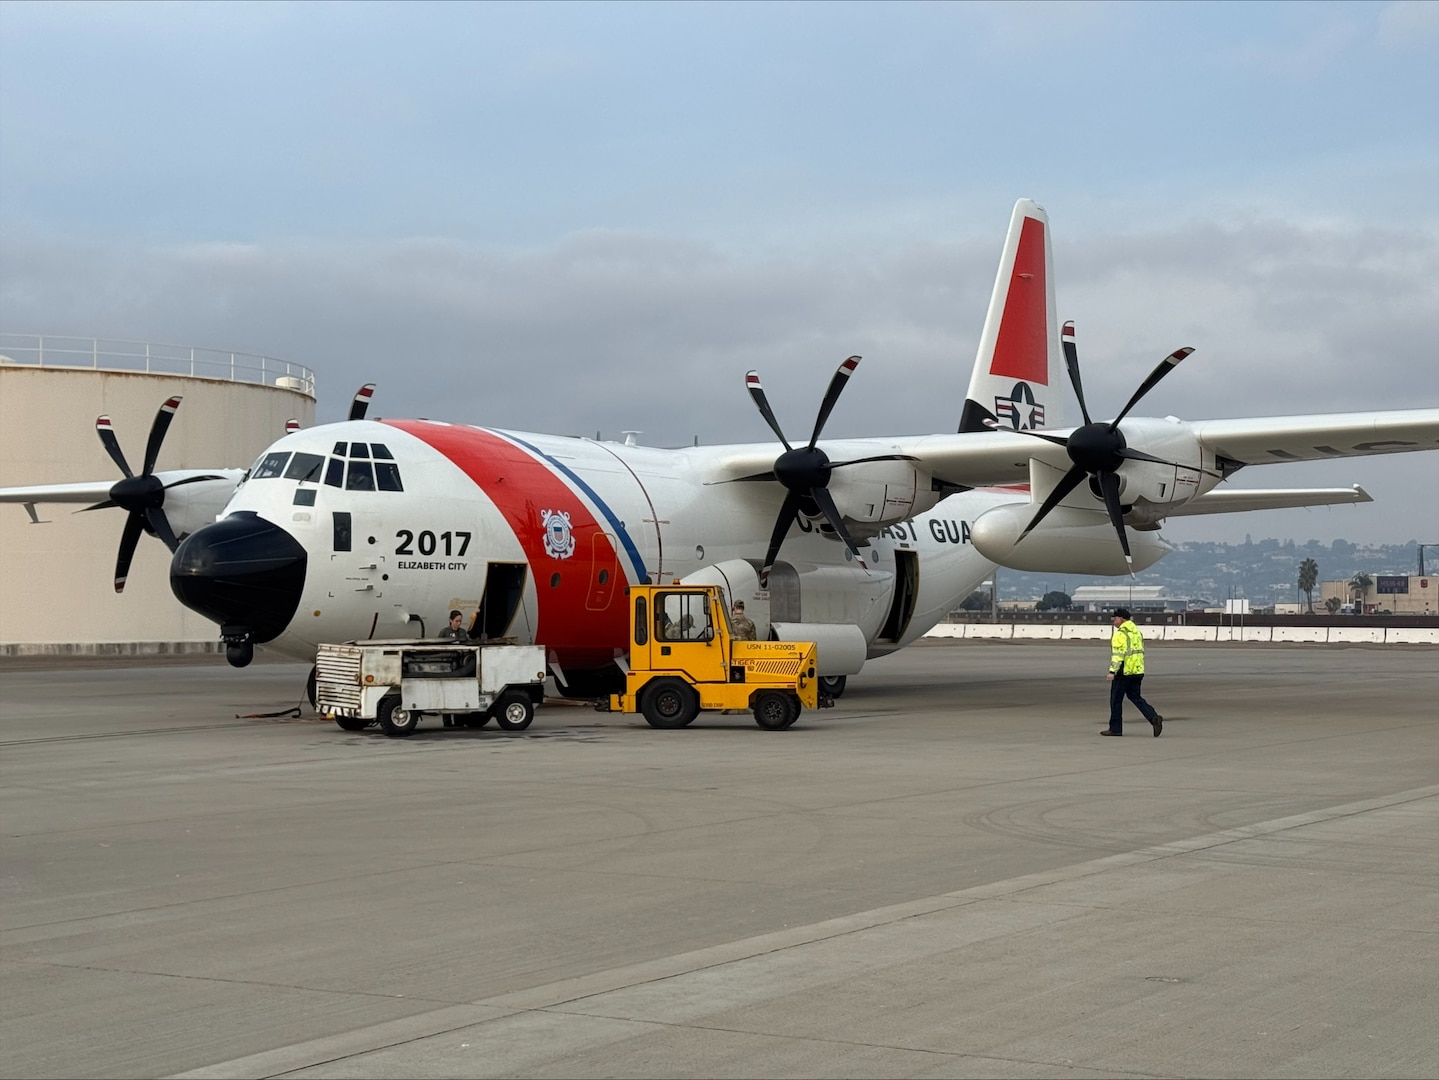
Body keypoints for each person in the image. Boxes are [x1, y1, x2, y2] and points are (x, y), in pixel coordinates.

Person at [1103, 607, 1162, 736]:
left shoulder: (1120, 634)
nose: (1114, 621)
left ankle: (1115, 728)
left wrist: (1112, 671)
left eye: (1115, 618)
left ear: (1122, 619)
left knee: (1116, 700)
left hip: (1124, 671)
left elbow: (1118, 654)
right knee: (1135, 697)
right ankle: (1153, 717)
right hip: (1137, 671)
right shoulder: (1137, 632)